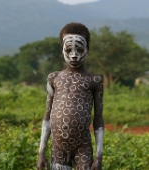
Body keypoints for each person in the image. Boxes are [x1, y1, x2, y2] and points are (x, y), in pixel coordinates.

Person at [37, 22, 104, 170]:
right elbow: (47, 117)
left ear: (88, 49)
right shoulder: (54, 78)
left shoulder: (94, 81)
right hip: (57, 148)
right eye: (69, 49)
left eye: (80, 49)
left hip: (83, 148)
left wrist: (99, 156)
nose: (74, 55)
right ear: (62, 49)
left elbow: (98, 120)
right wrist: (41, 153)